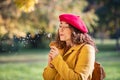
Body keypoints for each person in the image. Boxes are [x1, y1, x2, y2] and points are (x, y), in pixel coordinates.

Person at [43, 13, 98, 80]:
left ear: (75, 30)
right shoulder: (59, 48)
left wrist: (57, 59)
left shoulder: (87, 49)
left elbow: (79, 78)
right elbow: (47, 78)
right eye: (60, 26)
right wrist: (51, 66)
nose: (61, 29)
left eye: (66, 27)